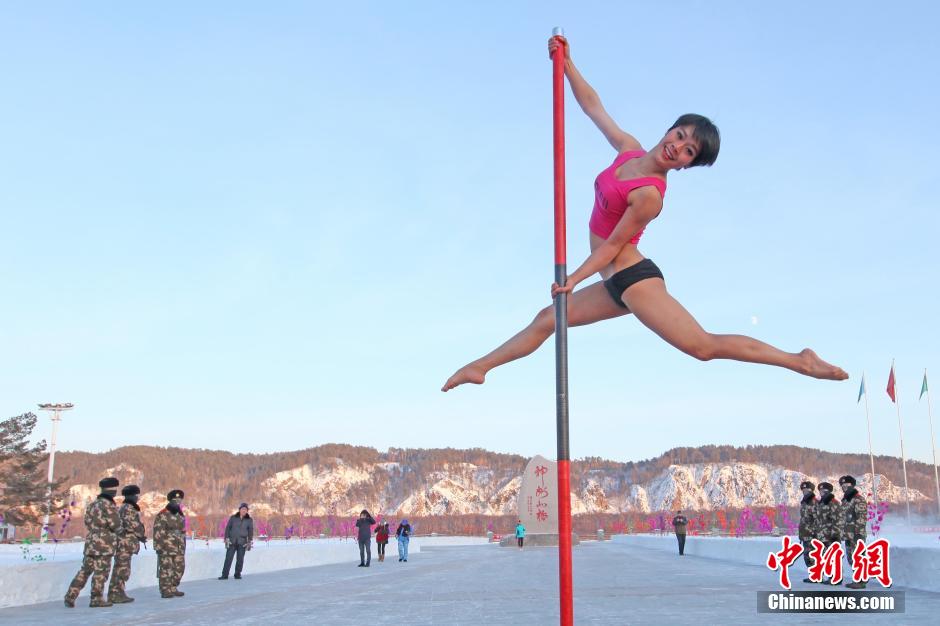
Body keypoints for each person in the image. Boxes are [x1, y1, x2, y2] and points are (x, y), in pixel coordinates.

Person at [441, 35, 848, 394]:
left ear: (688, 165)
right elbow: (594, 108)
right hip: (611, 281)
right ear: (670, 130)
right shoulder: (629, 149)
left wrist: (573, 279)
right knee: (548, 319)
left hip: (633, 278)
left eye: (689, 151)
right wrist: (566, 65)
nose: (679, 146)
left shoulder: (650, 195)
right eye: (681, 135)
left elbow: (615, 244)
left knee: (702, 346)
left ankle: (799, 360)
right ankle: (480, 366)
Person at [64, 477, 121, 608]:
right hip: (105, 543)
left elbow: (87, 522)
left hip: (91, 541)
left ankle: (70, 595)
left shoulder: (92, 505)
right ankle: (97, 598)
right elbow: (116, 524)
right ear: (113, 490)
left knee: (85, 570)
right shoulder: (109, 505)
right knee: (101, 572)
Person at [108, 484, 147, 604]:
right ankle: (116, 593)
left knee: (121, 569)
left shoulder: (126, 507)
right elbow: (133, 525)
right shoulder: (129, 508)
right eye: (136, 495)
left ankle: (117, 592)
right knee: (122, 569)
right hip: (125, 543)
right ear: (131, 496)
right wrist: (141, 535)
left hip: (125, 543)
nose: (137, 498)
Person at [153, 489, 187, 598]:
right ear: (170, 501)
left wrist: (183, 545)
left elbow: (182, 531)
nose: (177, 502)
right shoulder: (163, 514)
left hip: (179, 546)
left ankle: (173, 587)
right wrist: (158, 547)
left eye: (179, 500)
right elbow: (158, 531)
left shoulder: (180, 515)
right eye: (175, 500)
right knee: (166, 568)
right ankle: (165, 589)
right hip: (166, 546)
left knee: (179, 568)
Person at [839, 475, 868, 589]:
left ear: (852, 486)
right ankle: (858, 579)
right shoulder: (845, 501)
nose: (844, 487)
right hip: (848, 534)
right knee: (851, 559)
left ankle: (861, 581)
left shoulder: (858, 499)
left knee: (858, 557)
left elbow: (861, 518)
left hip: (856, 534)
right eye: (843, 486)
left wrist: (857, 534)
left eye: (847, 485)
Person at [814, 482, 842, 585]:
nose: (821, 493)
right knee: (827, 557)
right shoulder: (821, 503)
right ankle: (831, 577)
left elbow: (838, 520)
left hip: (831, 536)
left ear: (828, 491)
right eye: (820, 491)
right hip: (823, 536)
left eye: (823, 491)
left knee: (833, 557)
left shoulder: (833, 502)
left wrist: (835, 535)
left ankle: (836, 578)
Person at [219, 503, 254, 580]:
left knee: (240, 559)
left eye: (245, 509)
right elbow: (228, 528)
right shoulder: (233, 518)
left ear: (247, 511)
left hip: (242, 542)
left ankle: (237, 574)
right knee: (228, 558)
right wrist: (226, 538)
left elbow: (250, 531)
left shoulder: (249, 520)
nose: (244, 510)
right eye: (242, 509)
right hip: (232, 541)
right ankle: (224, 575)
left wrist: (250, 541)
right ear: (239, 509)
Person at [797, 481, 819, 584]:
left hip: (812, 534)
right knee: (807, 556)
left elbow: (818, 519)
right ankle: (813, 575)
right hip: (805, 534)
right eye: (803, 490)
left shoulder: (814, 502)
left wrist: (815, 532)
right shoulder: (804, 502)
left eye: (807, 490)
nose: (805, 492)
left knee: (812, 555)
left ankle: (816, 575)